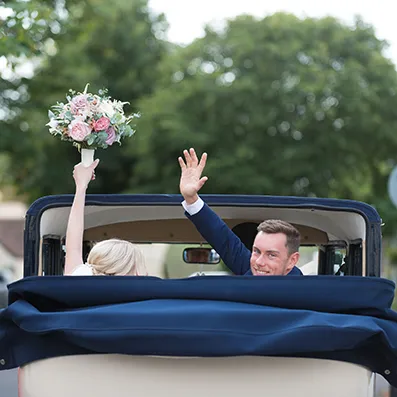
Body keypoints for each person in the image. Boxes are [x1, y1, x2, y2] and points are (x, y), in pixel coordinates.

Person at [178, 148, 302, 276]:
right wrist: (191, 199)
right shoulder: (248, 267)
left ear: (292, 261)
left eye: (271, 255)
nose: (259, 262)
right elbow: (221, 237)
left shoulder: (305, 291)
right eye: (256, 251)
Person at [64, 160, 147, 276]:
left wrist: (81, 186)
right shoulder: (140, 293)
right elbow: (73, 249)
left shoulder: (75, 286)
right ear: (136, 272)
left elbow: (73, 248)